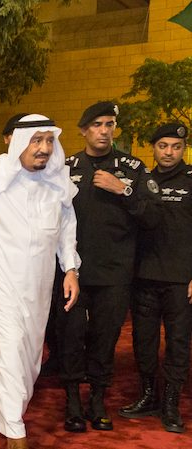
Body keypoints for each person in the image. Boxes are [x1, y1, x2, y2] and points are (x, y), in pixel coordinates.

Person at [0, 114, 80, 449]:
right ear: (20, 141)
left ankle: (10, 412)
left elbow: (67, 227)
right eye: (36, 141)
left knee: (29, 357)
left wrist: (70, 269)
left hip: (39, 286)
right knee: (8, 349)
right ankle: (15, 431)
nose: (44, 149)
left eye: (49, 141)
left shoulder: (57, 179)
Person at [58, 101, 160, 433]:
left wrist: (124, 189)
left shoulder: (131, 167)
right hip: (72, 271)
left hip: (115, 272)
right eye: (98, 124)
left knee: (106, 338)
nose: (105, 130)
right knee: (70, 337)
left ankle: (97, 399)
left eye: (110, 124)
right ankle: (73, 400)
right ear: (84, 129)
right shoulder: (65, 166)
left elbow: (154, 216)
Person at [118, 123, 191, 433]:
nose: (169, 152)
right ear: (154, 147)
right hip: (144, 276)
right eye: (163, 146)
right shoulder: (142, 180)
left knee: (178, 344)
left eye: (175, 146)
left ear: (184, 148)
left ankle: (171, 403)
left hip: (181, 279)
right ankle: (149, 396)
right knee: (144, 342)